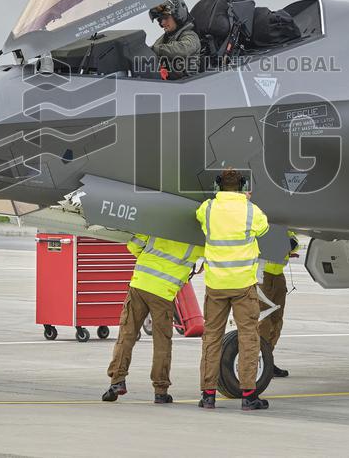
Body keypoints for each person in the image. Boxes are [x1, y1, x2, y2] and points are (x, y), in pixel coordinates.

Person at [195, 168, 270, 411]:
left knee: (211, 337)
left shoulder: (207, 208)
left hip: (216, 284)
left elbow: (199, 217)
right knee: (248, 337)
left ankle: (208, 395)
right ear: (243, 186)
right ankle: (248, 395)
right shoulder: (251, 210)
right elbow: (264, 229)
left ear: (218, 186)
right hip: (242, 284)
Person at [102, 232, 203, 404]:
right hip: (164, 293)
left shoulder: (159, 223)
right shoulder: (197, 239)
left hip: (140, 285)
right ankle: (160, 391)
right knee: (162, 343)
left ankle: (117, 382)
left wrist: (150, 260)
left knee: (126, 335)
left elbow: (133, 246)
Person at [259, 231, 300, 377]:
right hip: (263, 276)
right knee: (263, 320)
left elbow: (295, 245)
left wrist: (285, 243)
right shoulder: (262, 226)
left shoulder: (284, 229)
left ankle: (267, 360)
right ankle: (258, 360)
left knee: (277, 321)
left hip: (278, 277)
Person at [149, 0, 200, 79]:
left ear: (178, 16)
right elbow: (151, 52)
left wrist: (156, 49)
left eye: (165, 18)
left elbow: (183, 49)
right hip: (170, 84)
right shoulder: (166, 37)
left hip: (187, 84)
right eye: (160, 20)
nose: (162, 23)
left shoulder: (191, 35)